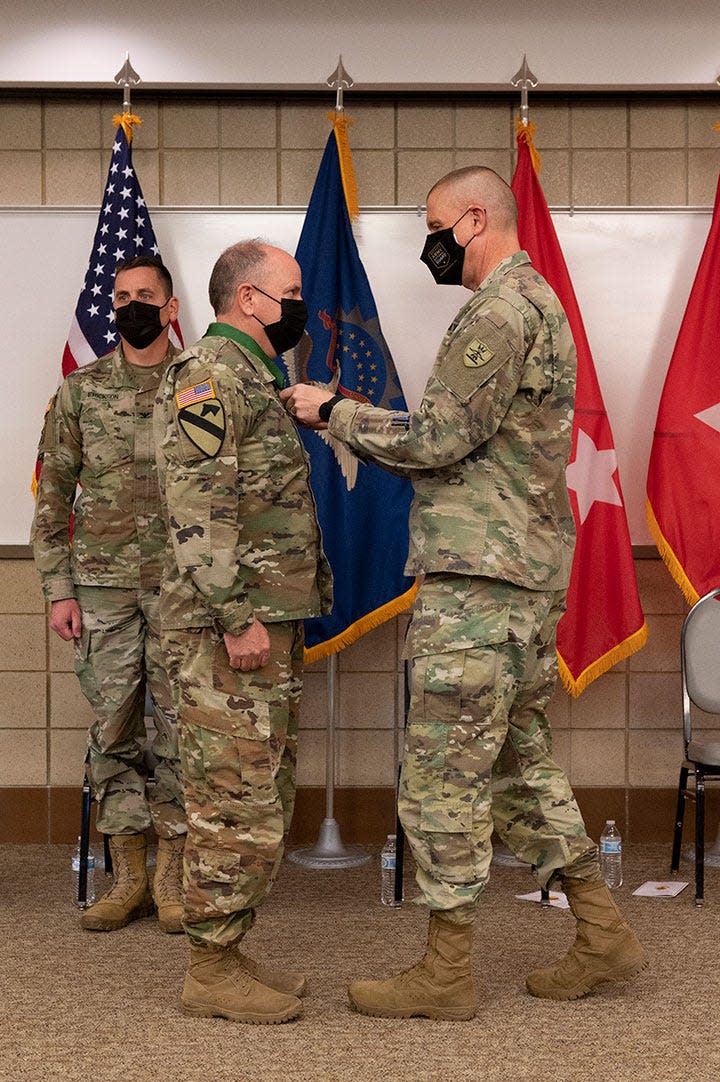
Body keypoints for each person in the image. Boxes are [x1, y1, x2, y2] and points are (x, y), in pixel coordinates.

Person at [281, 166, 647, 1019]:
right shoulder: (533, 304)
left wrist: (334, 410)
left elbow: (441, 438)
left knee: (442, 770)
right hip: (514, 577)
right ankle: (601, 934)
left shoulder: (500, 312)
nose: (429, 246)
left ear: (476, 219)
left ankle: (446, 973)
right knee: (520, 765)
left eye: (437, 227)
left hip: (481, 581)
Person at [154, 240, 332, 1025]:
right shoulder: (206, 377)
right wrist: (235, 617)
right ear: (251, 300)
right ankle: (209, 969)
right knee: (232, 799)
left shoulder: (256, 381)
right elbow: (198, 511)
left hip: (264, 622)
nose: (301, 305)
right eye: (290, 292)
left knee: (261, 794)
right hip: (229, 631)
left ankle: (228, 946)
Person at [32, 255, 187, 934]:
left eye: (144, 296)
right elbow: (53, 498)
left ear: (171, 308)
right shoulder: (81, 391)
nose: (131, 306)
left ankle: (175, 879)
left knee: (185, 735)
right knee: (113, 732)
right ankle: (128, 877)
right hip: (103, 592)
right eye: (121, 296)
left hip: (185, 591)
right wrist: (57, 588)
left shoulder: (203, 389)